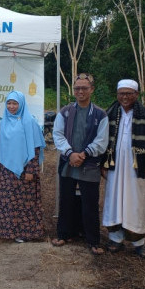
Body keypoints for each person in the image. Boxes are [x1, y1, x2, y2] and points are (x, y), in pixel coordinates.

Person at [101, 79, 145, 259]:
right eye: (121, 93)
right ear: (117, 95)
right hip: (114, 167)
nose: (125, 97)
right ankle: (115, 238)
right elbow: (103, 141)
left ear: (136, 95)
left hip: (138, 167)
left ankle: (138, 242)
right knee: (114, 200)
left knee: (136, 203)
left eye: (128, 93)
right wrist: (102, 164)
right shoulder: (110, 114)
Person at [52, 73, 109, 255]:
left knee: (90, 202)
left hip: (89, 164)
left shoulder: (100, 114)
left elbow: (102, 141)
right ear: (73, 90)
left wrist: (83, 154)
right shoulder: (65, 112)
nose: (80, 91)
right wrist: (70, 153)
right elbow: (57, 135)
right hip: (68, 162)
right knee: (66, 200)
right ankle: (63, 234)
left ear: (91, 89)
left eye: (84, 88)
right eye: (77, 88)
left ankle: (93, 240)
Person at [0, 91, 45, 242]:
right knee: (9, 202)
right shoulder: (4, 121)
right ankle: (9, 233)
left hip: (25, 171)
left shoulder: (29, 121)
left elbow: (36, 147)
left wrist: (31, 169)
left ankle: (27, 233)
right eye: (9, 103)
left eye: (15, 103)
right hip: (7, 171)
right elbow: (2, 147)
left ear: (21, 104)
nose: (11, 107)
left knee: (26, 203)